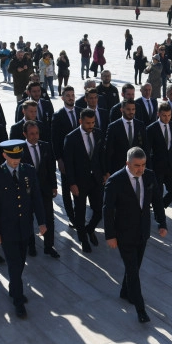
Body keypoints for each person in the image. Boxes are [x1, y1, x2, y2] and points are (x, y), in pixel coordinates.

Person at [104, 147, 168, 323]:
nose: (140, 169)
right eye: (136, 165)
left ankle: (125, 291)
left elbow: (157, 201)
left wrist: (162, 223)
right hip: (123, 233)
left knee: (135, 267)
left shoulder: (149, 176)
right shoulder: (115, 181)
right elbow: (107, 210)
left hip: (143, 232)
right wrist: (110, 235)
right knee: (133, 271)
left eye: (143, 165)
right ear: (127, 163)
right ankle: (140, 309)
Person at [0, 140, 47, 318]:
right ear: (4, 155)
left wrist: (42, 221)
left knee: (20, 262)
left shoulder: (28, 170)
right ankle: (18, 301)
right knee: (14, 264)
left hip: (24, 226)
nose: (16, 160)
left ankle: (14, 288)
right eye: (12, 157)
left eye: (18, 156)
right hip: (6, 229)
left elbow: (36, 197)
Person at [62, 108, 106, 253]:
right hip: (80, 182)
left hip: (96, 180)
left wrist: (105, 173)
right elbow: (68, 164)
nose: (91, 125)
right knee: (80, 212)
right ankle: (84, 239)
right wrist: (72, 183)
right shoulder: (71, 137)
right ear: (80, 121)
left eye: (93, 122)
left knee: (99, 210)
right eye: (88, 123)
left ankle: (89, 229)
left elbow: (101, 155)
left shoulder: (98, 133)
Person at [19, 120, 59, 258]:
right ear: (25, 134)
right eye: (31, 134)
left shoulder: (46, 146)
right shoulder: (20, 149)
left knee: (49, 218)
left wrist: (54, 186)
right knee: (28, 219)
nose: (35, 136)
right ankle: (31, 246)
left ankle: (49, 246)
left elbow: (51, 169)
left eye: (36, 133)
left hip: (45, 190)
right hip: (27, 191)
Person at [146, 102, 172, 207]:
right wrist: (148, 167)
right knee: (157, 192)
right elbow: (147, 150)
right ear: (158, 114)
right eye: (164, 115)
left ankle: (161, 206)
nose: (167, 118)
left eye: (169, 115)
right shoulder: (151, 129)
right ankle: (159, 212)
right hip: (157, 166)